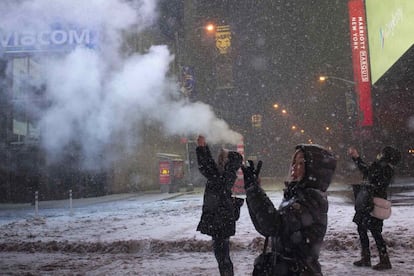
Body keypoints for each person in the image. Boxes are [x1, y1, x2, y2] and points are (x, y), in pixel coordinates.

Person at [242, 144, 337, 275]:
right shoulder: (296, 195)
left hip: (299, 271)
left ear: (314, 170)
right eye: (293, 162)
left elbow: (273, 225)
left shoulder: (311, 200)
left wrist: (254, 190)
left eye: (301, 163)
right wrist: (253, 190)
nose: (294, 167)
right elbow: (265, 228)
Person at [195, 135, 243, 276]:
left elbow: (207, 166)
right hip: (221, 221)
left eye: (223, 158)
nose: (219, 160)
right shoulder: (225, 175)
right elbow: (209, 167)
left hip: (220, 222)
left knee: (222, 257)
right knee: (223, 256)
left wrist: (202, 148)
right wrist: (203, 148)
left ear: (228, 163)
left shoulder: (222, 176)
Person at [348, 146, 401, 270]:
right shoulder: (381, 166)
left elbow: (370, 174)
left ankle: (384, 260)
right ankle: (366, 258)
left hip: (374, 203)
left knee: (375, 232)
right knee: (362, 228)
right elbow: (368, 172)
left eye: (381, 153)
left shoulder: (384, 168)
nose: (379, 154)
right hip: (368, 202)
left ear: (385, 156)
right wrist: (356, 158)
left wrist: (358, 159)